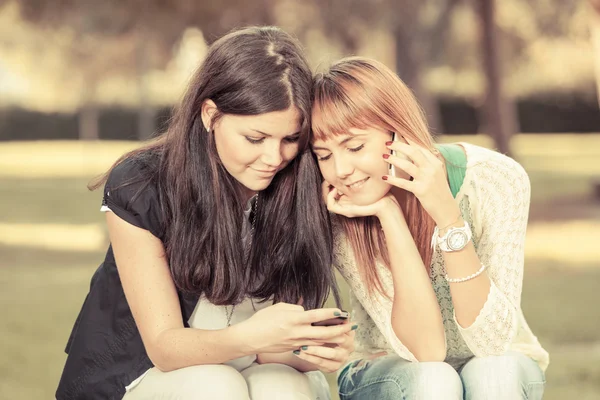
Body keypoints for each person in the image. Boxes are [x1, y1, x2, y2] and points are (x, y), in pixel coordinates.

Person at [56, 27, 356, 400]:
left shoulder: (299, 188)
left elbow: (269, 351)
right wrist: (253, 336)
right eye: (255, 138)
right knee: (215, 385)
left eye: (290, 139)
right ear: (210, 115)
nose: (274, 158)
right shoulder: (141, 185)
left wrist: (313, 350)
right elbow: (165, 348)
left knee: (286, 384)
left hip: (242, 366)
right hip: (142, 376)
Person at [310, 57, 549, 400]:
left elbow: (491, 343)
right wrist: (388, 214)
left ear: (397, 130)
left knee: (493, 372)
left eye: (354, 146)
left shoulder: (495, 180)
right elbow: (427, 350)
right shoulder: (339, 210)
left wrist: (447, 216)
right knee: (434, 380)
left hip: (502, 365)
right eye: (323, 155)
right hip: (389, 371)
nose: (340, 170)